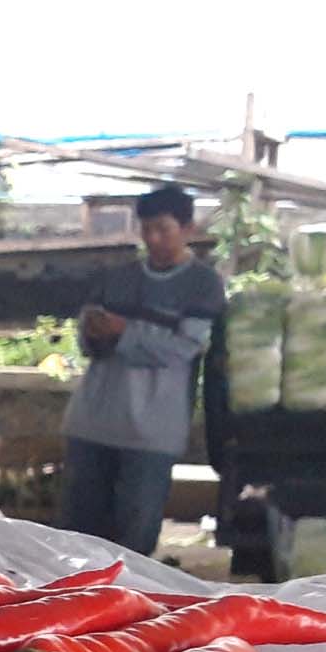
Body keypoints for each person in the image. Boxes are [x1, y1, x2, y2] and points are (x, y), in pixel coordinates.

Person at [60, 186, 226, 556]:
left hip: (152, 430)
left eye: (163, 229)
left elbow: (183, 347)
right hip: (93, 421)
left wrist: (124, 332)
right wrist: (93, 329)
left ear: (187, 228)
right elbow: (88, 342)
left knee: (133, 541)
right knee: (76, 537)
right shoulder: (116, 277)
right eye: (146, 229)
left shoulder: (203, 285)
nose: (153, 239)